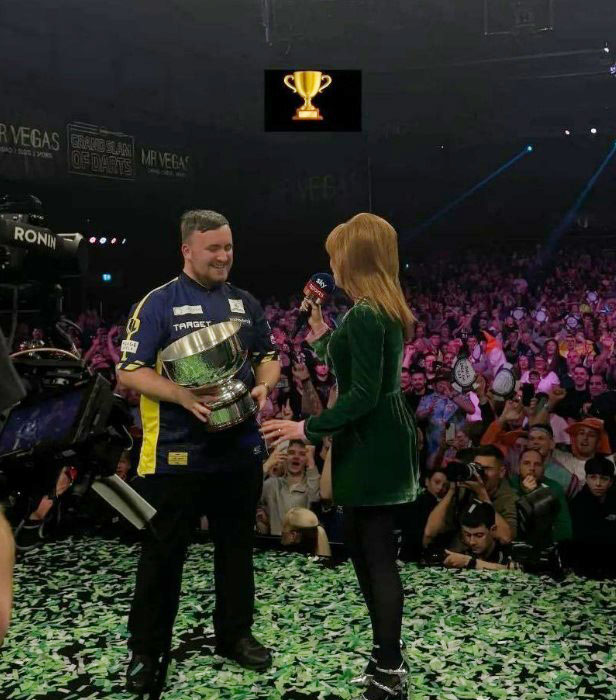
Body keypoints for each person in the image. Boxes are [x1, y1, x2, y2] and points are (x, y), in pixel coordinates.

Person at [116, 209, 281, 694]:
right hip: (175, 453)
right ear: (187, 249)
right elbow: (129, 371)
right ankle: (147, 650)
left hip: (238, 451)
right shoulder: (159, 303)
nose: (225, 256)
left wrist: (264, 388)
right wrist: (182, 395)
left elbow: (268, 356)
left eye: (229, 247)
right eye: (214, 248)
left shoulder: (245, 303)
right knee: (163, 554)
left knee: (237, 550)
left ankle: (235, 635)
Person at [262, 212, 419, 700]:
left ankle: (390, 669)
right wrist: (321, 331)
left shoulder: (371, 314)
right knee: (364, 550)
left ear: (356, 256)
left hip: (372, 442)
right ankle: (383, 655)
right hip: (370, 439)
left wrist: (303, 427)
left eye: (337, 253)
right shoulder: (372, 311)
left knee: (376, 556)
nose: (331, 262)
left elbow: (361, 396)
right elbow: (353, 369)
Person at [509, 448, 572, 545]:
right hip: (515, 542)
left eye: (537, 464)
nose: (532, 468)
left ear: (543, 468)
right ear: (519, 467)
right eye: (526, 463)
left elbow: (564, 527)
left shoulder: (554, 488)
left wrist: (535, 493)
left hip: (545, 542)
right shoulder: (510, 485)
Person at [259, 441, 320, 536]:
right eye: (291, 453)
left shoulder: (311, 484)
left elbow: (315, 499)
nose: (296, 457)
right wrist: (267, 465)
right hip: (275, 544)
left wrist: (311, 465)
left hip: (303, 545)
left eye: (302, 454)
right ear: (284, 457)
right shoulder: (273, 484)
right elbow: (249, 491)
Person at [569, 456, 616, 577]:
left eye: (604, 479)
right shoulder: (578, 503)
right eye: (593, 477)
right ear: (586, 479)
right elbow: (581, 539)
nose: (598, 483)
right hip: (586, 567)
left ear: (611, 481)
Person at [441, 501, 520, 571]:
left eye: (479, 535)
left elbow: (516, 571)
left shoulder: (513, 552)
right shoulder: (463, 556)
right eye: (468, 535)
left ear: (493, 530)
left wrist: (470, 562)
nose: (472, 542)